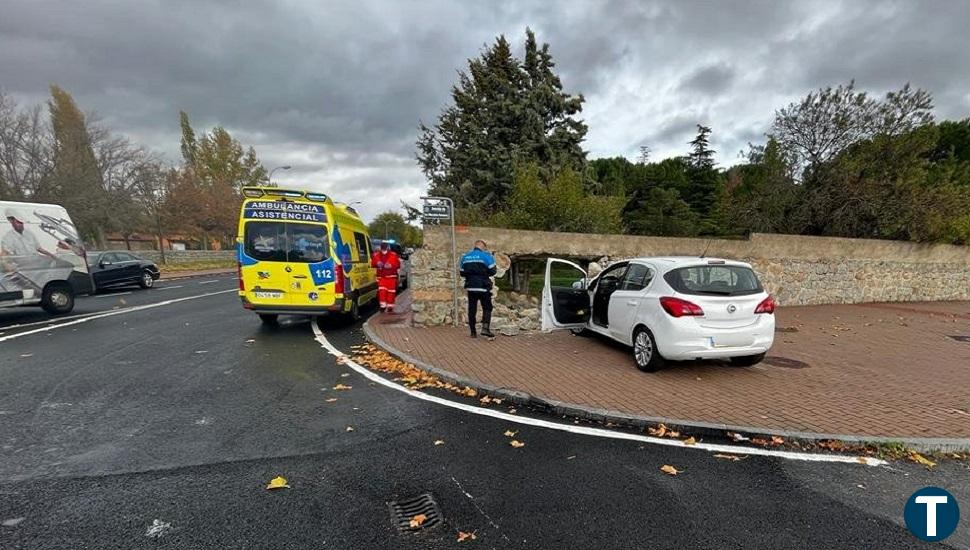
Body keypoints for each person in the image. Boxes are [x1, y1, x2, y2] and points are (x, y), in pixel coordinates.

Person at [459, 239, 497, 338]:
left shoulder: (465, 257)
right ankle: (485, 329)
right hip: (483, 286)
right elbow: (493, 271)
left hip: (471, 287)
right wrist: (484, 273)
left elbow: (462, 272)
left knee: (472, 309)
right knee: (487, 307)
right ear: (483, 246)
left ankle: (473, 332)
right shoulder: (486, 256)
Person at [371, 241, 401, 312]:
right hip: (382, 277)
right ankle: (383, 306)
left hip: (391, 277)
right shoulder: (377, 255)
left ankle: (390, 306)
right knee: (382, 291)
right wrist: (377, 263)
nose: (383, 248)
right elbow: (373, 263)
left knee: (391, 292)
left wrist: (391, 266)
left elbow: (398, 265)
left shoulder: (393, 255)